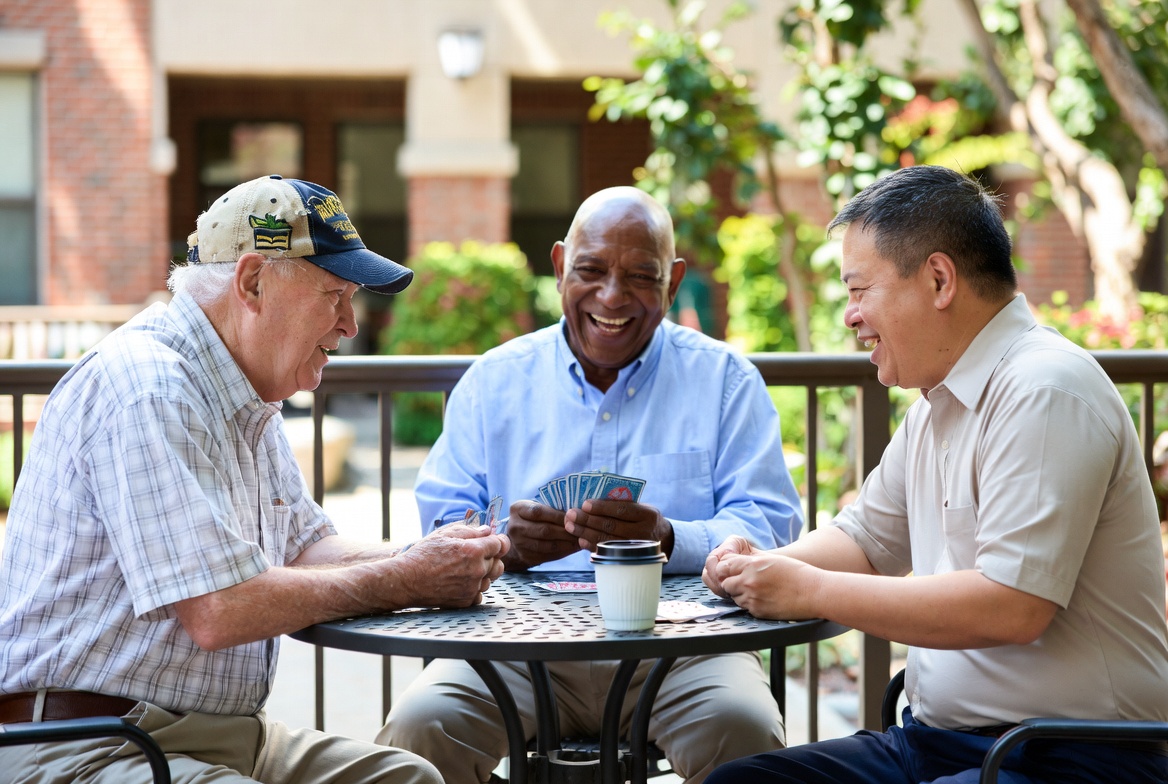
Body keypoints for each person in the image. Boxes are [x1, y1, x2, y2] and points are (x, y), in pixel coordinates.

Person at [0, 174, 510, 784]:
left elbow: (305, 548)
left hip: (212, 736)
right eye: (334, 295)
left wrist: (437, 555)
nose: (350, 325)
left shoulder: (242, 391)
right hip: (91, 744)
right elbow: (219, 609)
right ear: (252, 283)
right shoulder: (149, 386)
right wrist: (404, 578)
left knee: (412, 779)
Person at [704, 165, 1168, 784]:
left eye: (859, 289)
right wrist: (759, 565)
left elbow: (1012, 606)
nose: (850, 315)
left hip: (1072, 755)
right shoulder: (938, 404)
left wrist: (806, 589)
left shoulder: (1046, 388)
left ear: (939, 280)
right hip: (940, 743)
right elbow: (867, 543)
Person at [376, 186, 803, 784]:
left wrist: (671, 536)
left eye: (640, 277)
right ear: (558, 268)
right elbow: (441, 526)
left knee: (745, 729)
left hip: (682, 647)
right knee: (421, 729)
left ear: (673, 281)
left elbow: (772, 525)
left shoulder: (725, 381)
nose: (612, 296)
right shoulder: (494, 381)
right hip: (511, 649)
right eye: (591, 271)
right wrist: (503, 543)